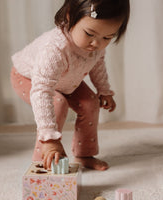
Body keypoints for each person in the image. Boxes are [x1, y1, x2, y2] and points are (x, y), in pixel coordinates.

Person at [11, 0, 130, 171]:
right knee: (57, 103)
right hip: (29, 77)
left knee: (90, 103)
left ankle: (84, 154)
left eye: (107, 37)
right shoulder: (55, 49)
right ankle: (42, 159)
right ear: (69, 17)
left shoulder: (95, 47)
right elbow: (41, 90)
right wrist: (50, 139)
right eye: (90, 34)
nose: (96, 44)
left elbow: (97, 64)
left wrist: (104, 90)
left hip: (64, 80)